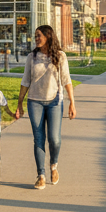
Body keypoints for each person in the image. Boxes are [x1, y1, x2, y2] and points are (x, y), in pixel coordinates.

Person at [16, 25, 76, 189]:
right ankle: (41, 175)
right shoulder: (32, 57)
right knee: (39, 139)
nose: (36, 39)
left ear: (48, 36)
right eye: (35, 36)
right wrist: (20, 103)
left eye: (39, 36)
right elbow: (25, 81)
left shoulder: (60, 56)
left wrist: (72, 102)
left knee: (54, 139)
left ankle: (54, 166)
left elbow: (66, 80)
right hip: (34, 101)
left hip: (55, 102)